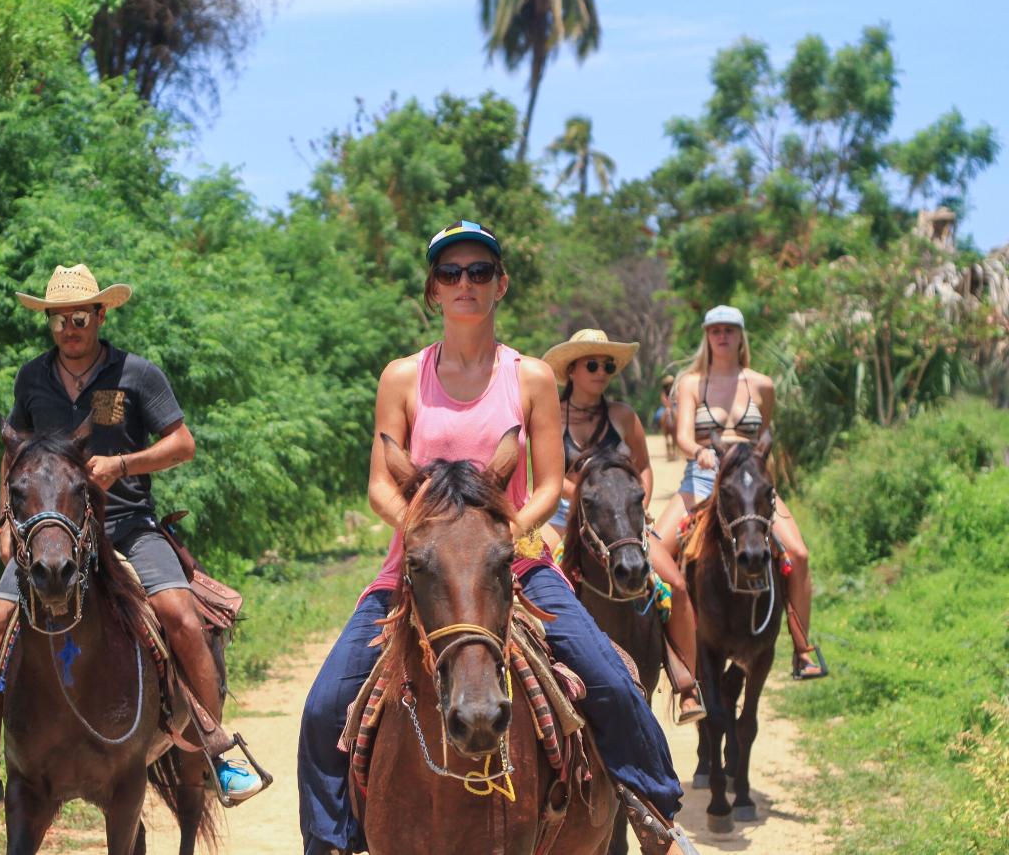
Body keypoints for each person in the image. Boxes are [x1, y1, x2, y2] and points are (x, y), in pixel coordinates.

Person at [297, 221, 682, 855]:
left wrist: (501, 537)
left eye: (479, 271)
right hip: (415, 570)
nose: (465, 283)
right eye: (450, 274)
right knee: (322, 709)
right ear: (433, 291)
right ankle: (331, 843)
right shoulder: (400, 378)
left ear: (500, 284)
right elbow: (379, 486)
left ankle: (654, 808)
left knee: (612, 680)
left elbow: (551, 485)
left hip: (517, 564)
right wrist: (431, 538)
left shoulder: (529, 377)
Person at [0, 264, 262, 812]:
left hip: (127, 526)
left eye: (79, 317)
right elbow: (15, 452)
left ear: (101, 315)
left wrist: (123, 464)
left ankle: (215, 750)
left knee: (181, 617)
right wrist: (7, 521)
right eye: (58, 319)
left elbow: (183, 444)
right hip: (53, 535)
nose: (69, 328)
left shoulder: (136, 375)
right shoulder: (32, 379)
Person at [649, 305, 828, 680]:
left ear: (740, 336)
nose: (722, 337)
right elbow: (683, 434)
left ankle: (802, 647)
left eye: (730, 330)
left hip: (749, 482)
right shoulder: (692, 383)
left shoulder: (760, 384)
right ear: (707, 336)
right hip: (703, 479)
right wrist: (699, 452)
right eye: (715, 331)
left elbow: (764, 434)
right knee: (657, 553)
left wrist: (762, 466)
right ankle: (667, 649)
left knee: (798, 552)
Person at [540, 330, 705, 724]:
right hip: (563, 519)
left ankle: (685, 683)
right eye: (593, 364)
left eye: (608, 365)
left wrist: (636, 504)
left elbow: (644, 468)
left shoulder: (624, 416)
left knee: (676, 586)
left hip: (620, 521)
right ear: (573, 370)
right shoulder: (547, 416)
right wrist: (584, 494)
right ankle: (537, 676)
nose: (602, 372)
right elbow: (544, 474)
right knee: (534, 590)